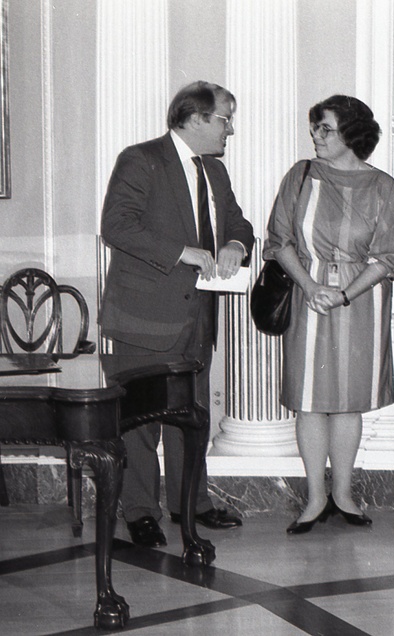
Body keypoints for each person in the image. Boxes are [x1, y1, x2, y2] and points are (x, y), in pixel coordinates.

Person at [100, 81, 253, 547]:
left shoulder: (215, 173)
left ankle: (192, 503)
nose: (231, 129)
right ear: (195, 118)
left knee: (191, 416)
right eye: (225, 119)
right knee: (140, 423)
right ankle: (140, 511)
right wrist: (180, 252)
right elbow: (116, 225)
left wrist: (234, 244)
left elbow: (238, 223)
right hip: (142, 317)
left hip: (197, 321)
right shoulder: (140, 159)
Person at [263, 95, 394, 535]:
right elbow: (279, 238)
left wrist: (343, 294)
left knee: (348, 403)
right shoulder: (301, 176)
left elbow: (390, 255)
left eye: (324, 129)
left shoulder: (383, 187)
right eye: (315, 129)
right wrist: (311, 286)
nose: (316, 136)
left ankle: (343, 494)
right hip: (308, 295)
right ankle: (315, 498)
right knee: (309, 400)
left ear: (351, 133)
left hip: (360, 301)